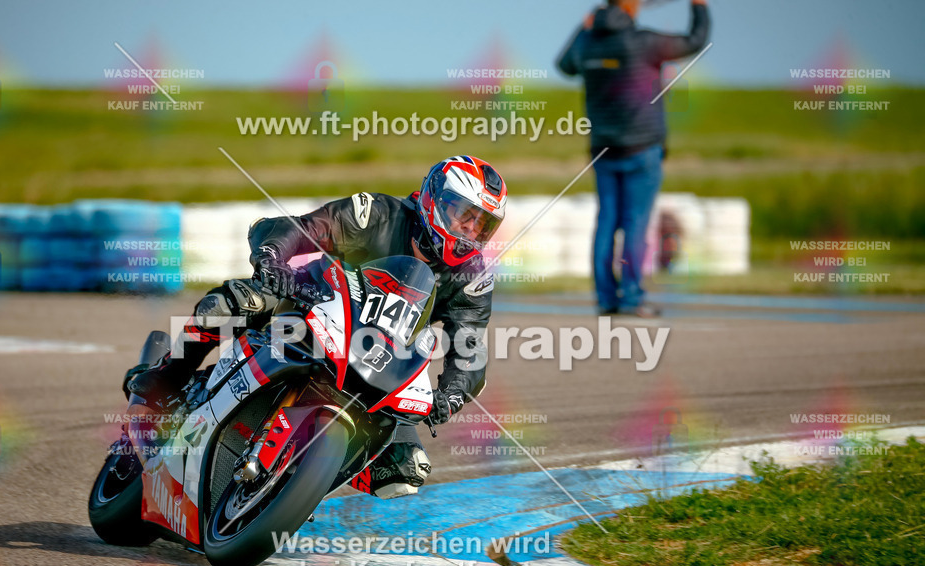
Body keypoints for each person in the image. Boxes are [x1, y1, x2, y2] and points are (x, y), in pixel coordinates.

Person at [124, 155, 507, 499]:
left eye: (482, 224)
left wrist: (449, 397)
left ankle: (292, 487)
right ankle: (165, 378)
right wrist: (272, 257)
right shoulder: (377, 213)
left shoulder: (473, 278)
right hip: (311, 307)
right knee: (230, 305)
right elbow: (307, 228)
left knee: (406, 469)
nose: (470, 231)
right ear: (433, 201)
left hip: (382, 365)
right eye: (464, 215)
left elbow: (469, 347)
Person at [557, 0, 710, 317]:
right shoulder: (646, 42)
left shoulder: (586, 41)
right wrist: (699, 7)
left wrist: (583, 27)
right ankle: (632, 298)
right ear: (629, 6)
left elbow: (564, 65)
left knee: (606, 224)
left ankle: (606, 299)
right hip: (643, 148)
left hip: (602, 149)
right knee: (635, 225)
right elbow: (694, 41)